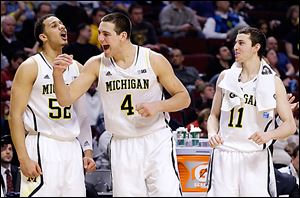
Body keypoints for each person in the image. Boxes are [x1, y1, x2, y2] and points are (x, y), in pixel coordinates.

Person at [52, 12, 191, 197]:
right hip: (122, 143)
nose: (100, 38)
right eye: (99, 33)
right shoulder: (95, 64)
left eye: (106, 34)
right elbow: (65, 99)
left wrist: (158, 106)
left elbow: (184, 98)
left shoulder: (153, 59)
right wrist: (57, 75)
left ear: (123, 36)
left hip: (156, 139)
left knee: (167, 193)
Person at [8, 14, 96, 197]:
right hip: (42, 144)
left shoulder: (77, 68)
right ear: (43, 36)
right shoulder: (30, 66)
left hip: (71, 147)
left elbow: (82, 115)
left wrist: (87, 151)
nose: (62, 27)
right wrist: (23, 158)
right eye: (55, 25)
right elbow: (15, 115)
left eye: (62, 24)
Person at [206, 26, 296, 196]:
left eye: (241, 43)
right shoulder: (225, 76)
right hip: (225, 153)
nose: (235, 47)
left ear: (256, 48)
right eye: (235, 43)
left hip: (255, 156)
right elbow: (213, 115)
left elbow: (290, 125)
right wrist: (211, 133)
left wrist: (269, 135)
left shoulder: (273, 82)